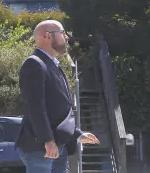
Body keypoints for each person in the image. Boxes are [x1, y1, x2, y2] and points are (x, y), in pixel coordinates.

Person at [15, 20, 100, 173]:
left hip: (57, 146)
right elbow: (36, 108)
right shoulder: (34, 64)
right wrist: (47, 140)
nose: (67, 37)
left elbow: (59, 110)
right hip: (41, 149)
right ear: (47, 36)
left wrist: (78, 134)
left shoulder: (52, 64)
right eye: (62, 33)